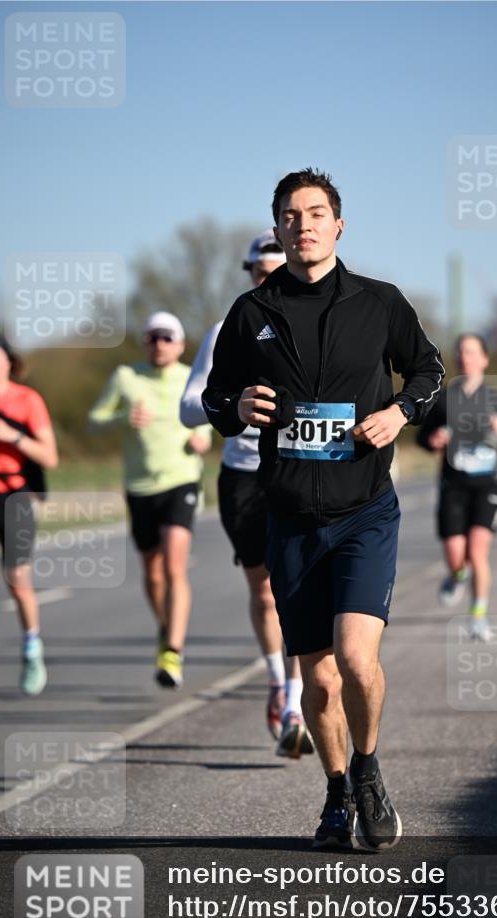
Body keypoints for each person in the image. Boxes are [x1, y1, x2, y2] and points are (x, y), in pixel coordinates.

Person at [202, 168, 444, 850]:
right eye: (289, 215)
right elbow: (215, 401)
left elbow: (428, 372)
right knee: (318, 677)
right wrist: (238, 406)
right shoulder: (251, 314)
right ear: (277, 229)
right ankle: (336, 790)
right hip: (291, 518)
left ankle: (367, 768)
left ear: (339, 225)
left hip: (364, 509)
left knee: (355, 659)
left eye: (315, 213)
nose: (302, 224)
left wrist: (398, 412)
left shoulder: (379, 302)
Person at [180, 230, 313, 760]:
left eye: (277, 271)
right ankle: (279, 681)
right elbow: (190, 406)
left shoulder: (309, 324)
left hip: (299, 471)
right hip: (244, 477)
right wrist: (234, 406)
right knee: (264, 593)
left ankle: (297, 704)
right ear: (250, 274)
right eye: (260, 272)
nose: (269, 280)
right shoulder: (226, 328)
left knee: (297, 592)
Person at [88, 312, 211, 688]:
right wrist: (123, 418)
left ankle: (172, 650)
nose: (159, 344)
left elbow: (206, 423)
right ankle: (165, 628)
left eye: (167, 338)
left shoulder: (191, 376)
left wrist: (201, 441)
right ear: (145, 342)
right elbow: (94, 421)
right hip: (139, 487)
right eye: (153, 337)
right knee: (153, 572)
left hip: (180, 481)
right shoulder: (126, 377)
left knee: (174, 566)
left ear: (179, 344)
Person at [0, 332, 58, 703]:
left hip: (16, 497)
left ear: (9, 363)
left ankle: (31, 649)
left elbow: (50, 457)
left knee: (17, 580)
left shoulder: (28, 401)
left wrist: (13, 437)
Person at [417, 334, 497, 640]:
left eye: (471, 352)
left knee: (478, 552)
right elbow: (422, 437)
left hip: (486, 486)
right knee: (457, 556)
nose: (464, 357)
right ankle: (457, 575)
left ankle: (478, 617)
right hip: (453, 485)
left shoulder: (496, 399)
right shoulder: (443, 399)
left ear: (484, 359)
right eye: (460, 353)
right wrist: (433, 441)